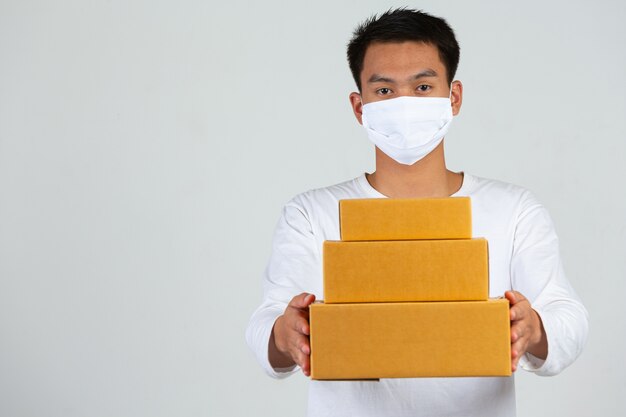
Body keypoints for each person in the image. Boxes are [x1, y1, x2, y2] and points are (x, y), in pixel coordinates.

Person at [245, 8, 588, 417]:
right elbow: (267, 324)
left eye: (423, 86)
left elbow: (568, 320)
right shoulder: (311, 214)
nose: (405, 104)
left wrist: (533, 330)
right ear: (360, 107)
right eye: (385, 91)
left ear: (453, 97)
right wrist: (284, 335)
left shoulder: (513, 210)